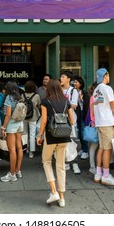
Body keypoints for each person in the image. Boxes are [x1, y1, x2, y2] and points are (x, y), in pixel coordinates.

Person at [36, 78, 74, 208]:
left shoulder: (45, 101)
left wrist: (40, 135)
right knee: (61, 166)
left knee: (46, 161)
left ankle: (53, 192)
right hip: (64, 136)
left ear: (48, 88)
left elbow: (44, 120)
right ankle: (62, 198)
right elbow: (72, 121)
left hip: (51, 136)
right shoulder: (66, 101)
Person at [93, 68, 114, 186]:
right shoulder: (107, 88)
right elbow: (113, 106)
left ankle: (98, 173)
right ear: (106, 75)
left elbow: (96, 105)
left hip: (100, 122)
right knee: (107, 149)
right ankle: (105, 176)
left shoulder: (96, 90)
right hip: (107, 122)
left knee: (101, 147)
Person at [0, 81, 24, 182]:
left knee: (12, 150)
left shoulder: (9, 98)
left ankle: (12, 174)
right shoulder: (20, 97)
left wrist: (3, 127)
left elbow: (8, 114)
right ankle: (18, 170)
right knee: (19, 148)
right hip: (20, 123)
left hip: (11, 124)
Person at [60, 71, 81, 174]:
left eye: (63, 76)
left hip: (71, 120)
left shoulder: (73, 91)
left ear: (68, 79)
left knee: (72, 142)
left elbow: (74, 105)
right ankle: (66, 161)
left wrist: (63, 102)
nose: (61, 78)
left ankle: (75, 163)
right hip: (60, 120)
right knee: (63, 142)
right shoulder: (58, 90)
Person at [22, 80, 40, 159]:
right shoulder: (36, 96)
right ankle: (31, 152)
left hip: (24, 116)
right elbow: (39, 104)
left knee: (25, 133)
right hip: (33, 116)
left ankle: (26, 148)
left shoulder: (22, 95)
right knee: (32, 134)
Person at [74, 76, 90, 160]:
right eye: (74, 82)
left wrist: (81, 100)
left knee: (83, 133)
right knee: (79, 133)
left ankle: (85, 151)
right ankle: (83, 148)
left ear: (80, 84)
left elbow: (86, 106)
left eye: (76, 82)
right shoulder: (72, 92)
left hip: (82, 116)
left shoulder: (84, 94)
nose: (74, 83)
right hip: (76, 115)